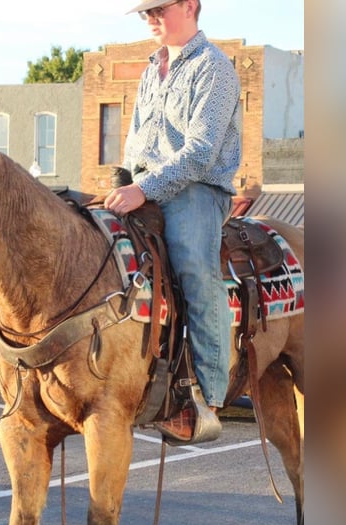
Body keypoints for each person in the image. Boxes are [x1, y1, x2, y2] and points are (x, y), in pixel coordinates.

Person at [103, 0, 240, 442]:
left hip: (196, 191)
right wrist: (123, 181)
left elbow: (200, 153)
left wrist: (144, 189)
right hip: (143, 186)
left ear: (191, 6)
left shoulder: (213, 68)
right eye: (146, 12)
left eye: (160, 8)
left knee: (195, 270)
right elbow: (136, 140)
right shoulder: (151, 70)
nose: (151, 18)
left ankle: (206, 396)